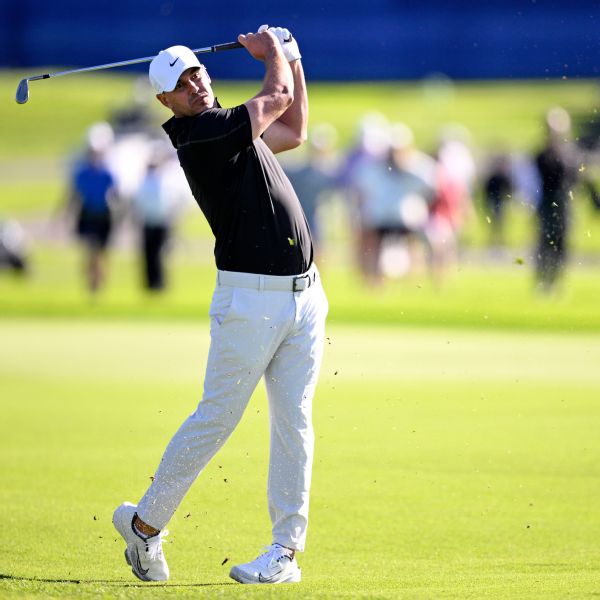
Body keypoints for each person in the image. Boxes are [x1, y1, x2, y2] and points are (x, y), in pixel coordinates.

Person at [112, 25, 328, 585]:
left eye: (197, 74)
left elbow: (295, 129)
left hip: (305, 296)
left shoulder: (231, 127)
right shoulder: (201, 134)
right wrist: (273, 51)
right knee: (217, 418)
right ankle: (144, 526)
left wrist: (293, 58)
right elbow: (275, 97)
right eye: (181, 85)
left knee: (295, 422)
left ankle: (284, 552)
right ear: (166, 102)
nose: (195, 86)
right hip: (250, 301)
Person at [66, 122, 118, 293]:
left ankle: (98, 279)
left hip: (104, 215)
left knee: (100, 251)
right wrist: (66, 214)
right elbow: (74, 195)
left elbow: (116, 195)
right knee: (90, 248)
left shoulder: (107, 173)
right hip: (88, 214)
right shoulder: (82, 173)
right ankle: (92, 280)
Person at [132, 142, 188, 291]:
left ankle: (159, 283)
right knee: (149, 253)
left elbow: (175, 199)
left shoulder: (165, 180)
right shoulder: (146, 180)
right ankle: (151, 284)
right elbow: (139, 201)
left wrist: (173, 215)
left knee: (159, 253)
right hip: (148, 221)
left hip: (162, 222)